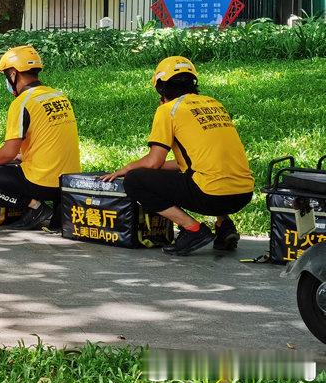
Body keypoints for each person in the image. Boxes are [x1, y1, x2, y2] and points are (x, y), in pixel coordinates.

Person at [103, 56, 254, 256]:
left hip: (211, 196)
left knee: (135, 181)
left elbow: (154, 161)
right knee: (208, 172)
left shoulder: (168, 110)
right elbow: (195, 161)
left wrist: (128, 168)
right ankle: (224, 225)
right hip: (243, 194)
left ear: (160, 88)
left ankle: (193, 230)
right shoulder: (214, 104)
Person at [0, 46, 80, 230]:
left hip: (41, 181)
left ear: (13, 74)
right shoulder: (58, 96)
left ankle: (35, 207)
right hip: (67, 180)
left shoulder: (22, 103)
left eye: (6, 75)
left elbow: (8, 152)